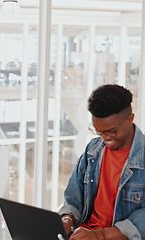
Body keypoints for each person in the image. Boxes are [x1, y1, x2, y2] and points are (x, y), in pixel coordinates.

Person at [59, 84, 144, 240]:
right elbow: (73, 196)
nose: (105, 138)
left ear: (130, 119)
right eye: (99, 131)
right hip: (83, 233)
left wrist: (100, 235)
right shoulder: (93, 150)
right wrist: (66, 219)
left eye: (112, 131)